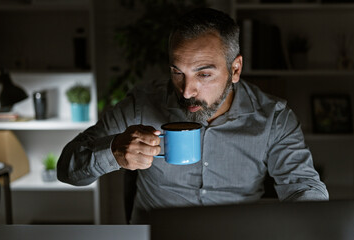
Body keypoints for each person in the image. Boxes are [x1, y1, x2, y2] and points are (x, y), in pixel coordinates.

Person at [57, 7, 329, 223]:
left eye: (204, 74)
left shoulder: (273, 118)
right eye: (178, 72)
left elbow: (302, 186)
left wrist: (306, 218)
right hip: (155, 234)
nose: (186, 91)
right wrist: (113, 152)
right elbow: (66, 169)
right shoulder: (141, 105)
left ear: (235, 69)